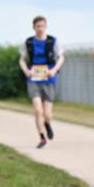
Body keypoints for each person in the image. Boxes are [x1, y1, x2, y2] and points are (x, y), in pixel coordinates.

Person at [18, 16, 65, 148]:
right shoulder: (28, 43)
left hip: (49, 78)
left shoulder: (53, 41)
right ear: (34, 27)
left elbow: (61, 58)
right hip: (33, 79)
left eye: (42, 26)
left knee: (47, 114)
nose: (40, 29)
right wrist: (26, 70)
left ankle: (47, 123)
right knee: (38, 110)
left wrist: (54, 70)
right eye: (37, 26)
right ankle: (42, 137)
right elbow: (22, 59)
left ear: (46, 26)